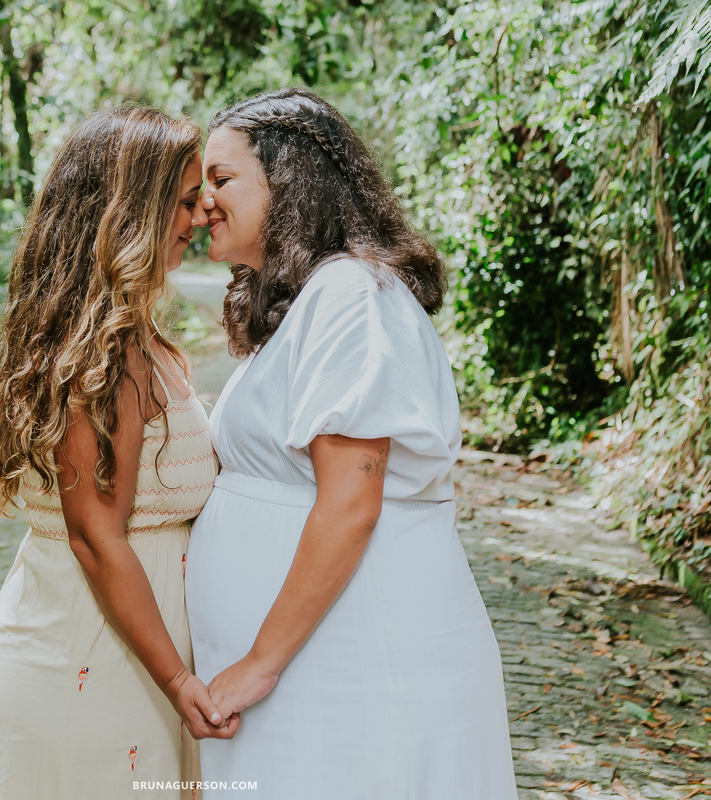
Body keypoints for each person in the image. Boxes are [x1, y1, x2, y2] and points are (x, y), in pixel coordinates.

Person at [184, 87, 518, 799]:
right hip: (313, 661)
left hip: (348, 656)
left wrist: (261, 662)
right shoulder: (307, 301)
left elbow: (351, 503)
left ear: (291, 181)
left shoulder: (350, 296)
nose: (201, 200)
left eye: (220, 179)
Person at [0, 106, 235, 800]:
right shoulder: (106, 357)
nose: (200, 216)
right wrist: (179, 680)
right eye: (184, 201)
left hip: (129, 659)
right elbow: (95, 536)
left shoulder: (134, 338)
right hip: (92, 660)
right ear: (132, 212)